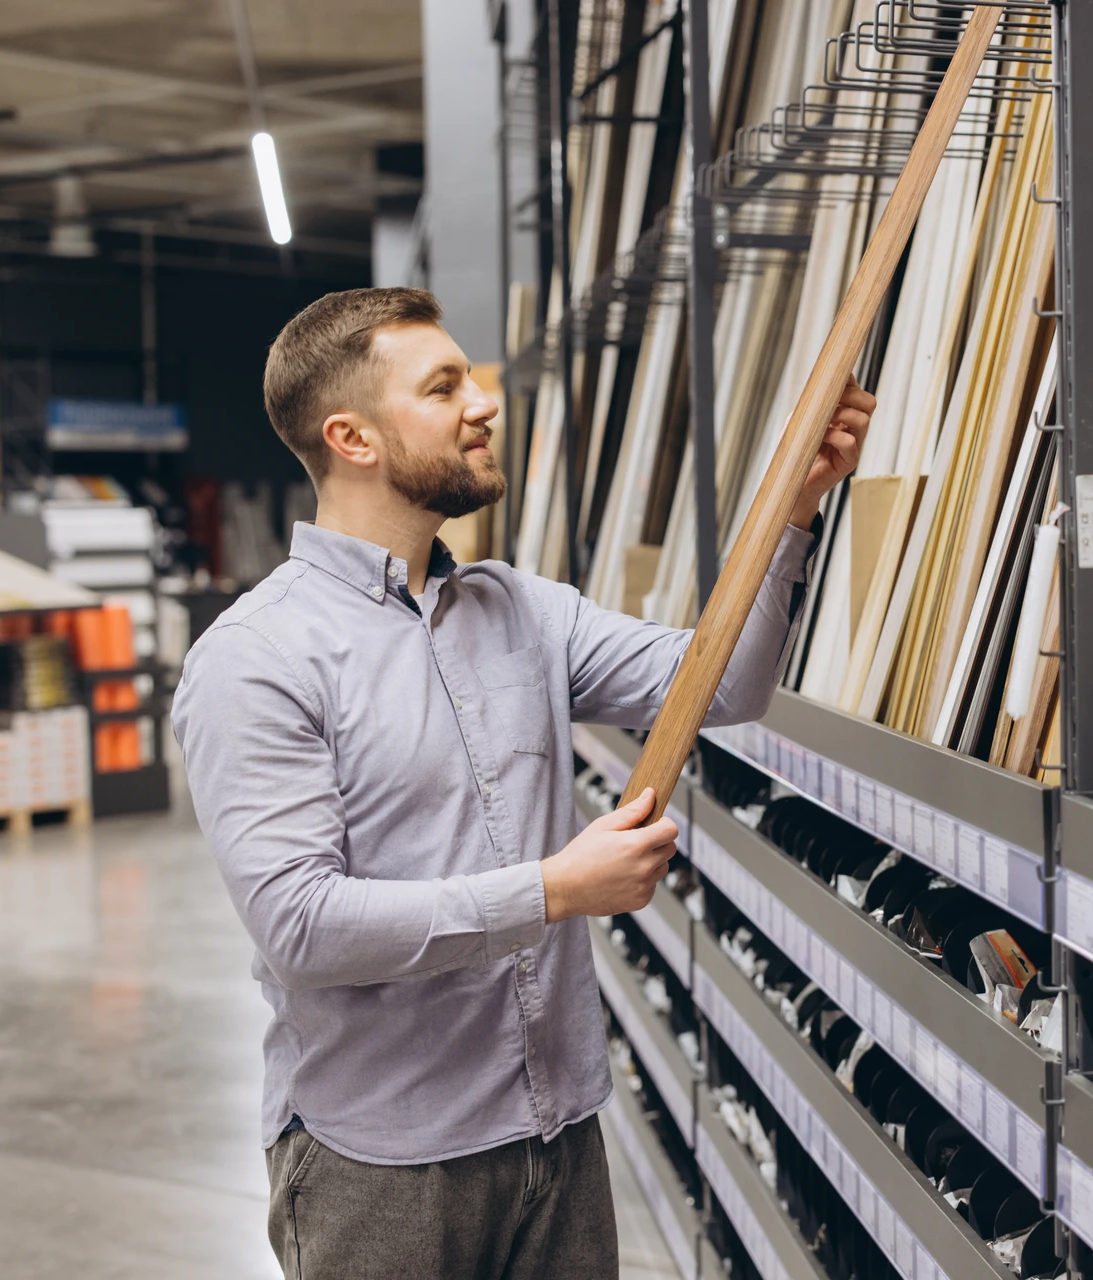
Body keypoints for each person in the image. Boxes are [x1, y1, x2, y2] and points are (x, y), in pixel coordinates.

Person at [171, 287, 872, 1279]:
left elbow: (722, 686)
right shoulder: (258, 657)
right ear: (351, 437)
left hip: (556, 1130)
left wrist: (793, 508)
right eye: (443, 385)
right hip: (383, 1162)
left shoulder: (517, 609)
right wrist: (552, 890)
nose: (483, 403)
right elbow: (302, 925)